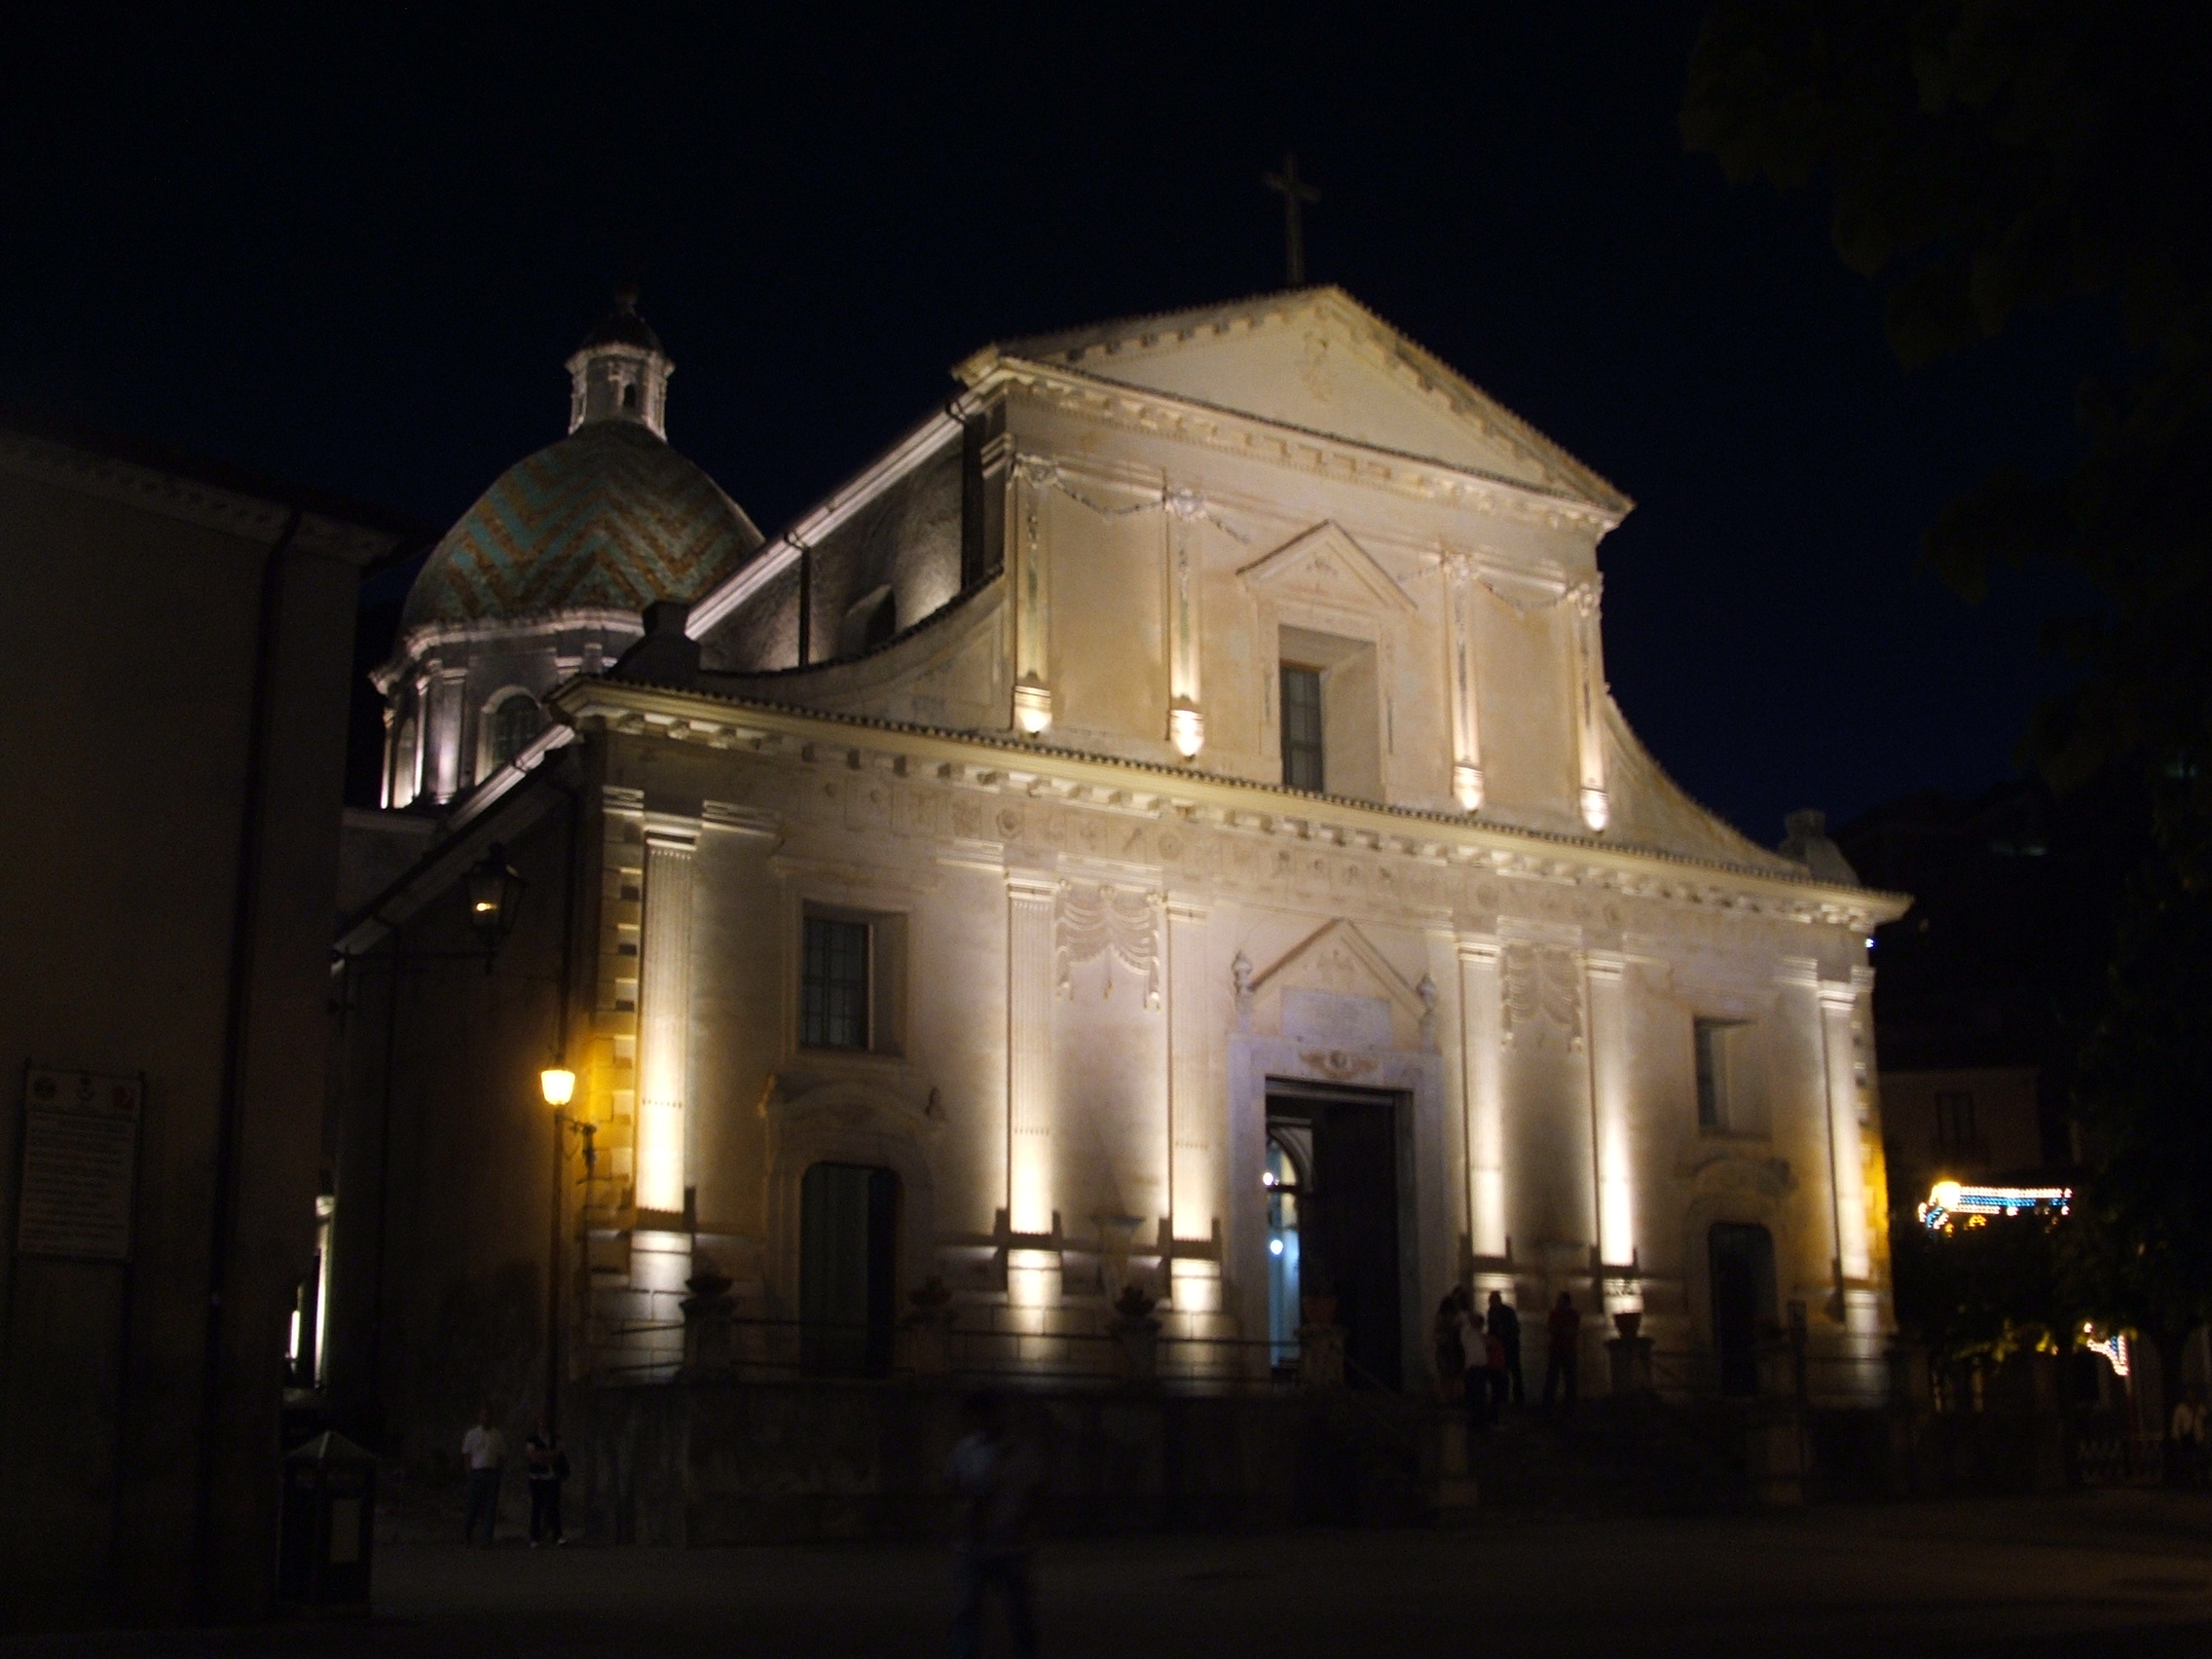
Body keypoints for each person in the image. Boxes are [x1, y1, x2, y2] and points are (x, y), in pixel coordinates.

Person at [946, 1390, 1041, 1659]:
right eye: (979, 1415)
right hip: (973, 1545)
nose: (983, 1420)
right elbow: (952, 1488)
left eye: (989, 1413)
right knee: (966, 1612)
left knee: (1019, 1614)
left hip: (1010, 1546)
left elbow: (1035, 1495)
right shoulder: (964, 1450)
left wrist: (1026, 1528)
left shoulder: (1022, 1451)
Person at [461, 1405, 506, 1547]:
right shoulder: (472, 1434)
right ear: (479, 1417)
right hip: (477, 1473)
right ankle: (467, 1532)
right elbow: (467, 1455)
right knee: (473, 1506)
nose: (486, 1418)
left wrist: (498, 1472)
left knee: (490, 1508)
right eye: (484, 1415)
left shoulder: (497, 1435)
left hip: (491, 1473)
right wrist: (469, 1473)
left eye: (489, 1415)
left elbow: (500, 1455)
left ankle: (486, 1539)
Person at [525, 1416, 569, 1546]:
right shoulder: (532, 1439)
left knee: (554, 1507)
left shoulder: (555, 1438)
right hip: (537, 1477)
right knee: (537, 1507)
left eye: (545, 1423)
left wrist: (544, 1455)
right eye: (541, 1422)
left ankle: (557, 1535)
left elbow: (559, 1452)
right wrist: (549, 1455)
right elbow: (533, 1456)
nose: (543, 1425)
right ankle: (534, 1537)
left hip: (552, 1477)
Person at [1542, 1292, 1581, 1411]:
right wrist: (1562, 1331)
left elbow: (1570, 1331)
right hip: (1558, 1349)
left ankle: (1569, 1403)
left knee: (1569, 1378)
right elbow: (1552, 1328)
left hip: (1567, 1349)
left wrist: (1559, 1330)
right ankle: (1549, 1402)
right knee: (1553, 1377)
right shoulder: (1555, 1314)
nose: (1558, 1303)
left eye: (1560, 1301)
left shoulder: (1571, 1315)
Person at [1487, 1290, 1525, 1406]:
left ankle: (1516, 1399)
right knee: (1504, 1373)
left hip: (1509, 1346)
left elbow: (1514, 1329)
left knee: (1513, 1372)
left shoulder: (1505, 1312)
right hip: (1501, 1346)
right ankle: (1506, 1398)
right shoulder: (1493, 1312)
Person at [1433, 1292, 1467, 1402]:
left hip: (1447, 1349)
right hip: (1453, 1349)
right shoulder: (1454, 1319)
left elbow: (1437, 1335)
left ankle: (1447, 1396)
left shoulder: (1441, 1318)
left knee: (1447, 1375)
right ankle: (1454, 1396)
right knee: (1453, 1375)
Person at [2172, 1385, 2208, 1488]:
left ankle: (2201, 1480)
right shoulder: (2181, 1408)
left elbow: (2204, 1420)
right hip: (2187, 1436)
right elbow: (2176, 1423)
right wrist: (2177, 1437)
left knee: (2200, 1459)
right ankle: (2189, 1480)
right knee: (2188, 1460)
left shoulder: (2200, 1407)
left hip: (2198, 1436)